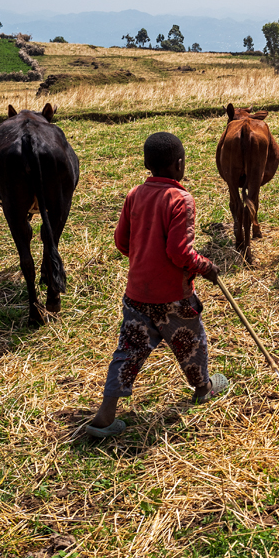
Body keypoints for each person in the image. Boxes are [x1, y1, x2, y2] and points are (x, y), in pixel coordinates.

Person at [85, 131, 227, 437]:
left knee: (128, 351)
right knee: (191, 342)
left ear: (147, 164)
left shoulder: (134, 194)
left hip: (137, 294)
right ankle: (203, 388)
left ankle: (105, 415)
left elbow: (121, 242)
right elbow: (179, 252)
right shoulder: (181, 199)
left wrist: (144, 258)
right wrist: (205, 267)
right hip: (174, 297)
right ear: (179, 164)